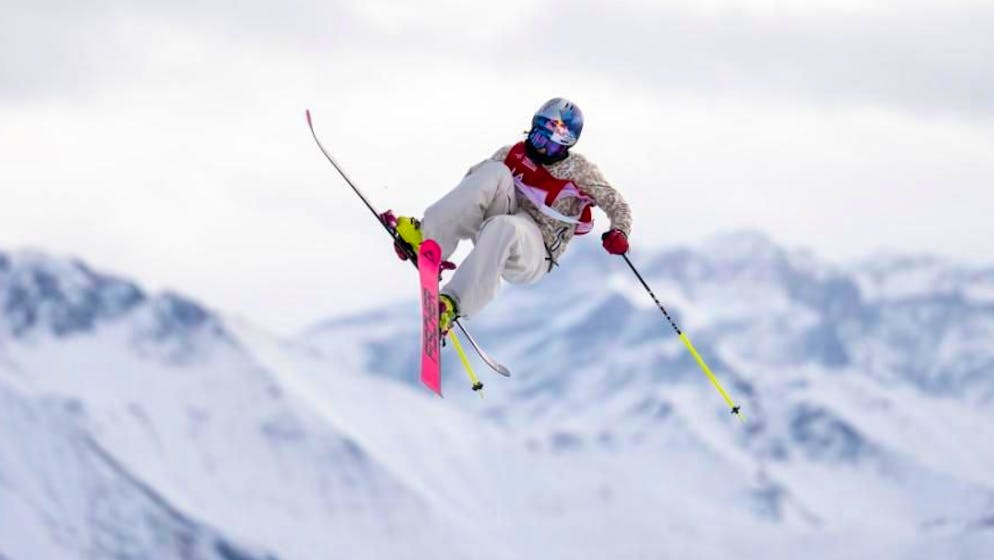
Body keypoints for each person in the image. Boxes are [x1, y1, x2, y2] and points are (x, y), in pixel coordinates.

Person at [382, 97, 632, 334]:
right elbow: (473, 186)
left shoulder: (579, 171)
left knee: (507, 226)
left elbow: (617, 204)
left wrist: (619, 231)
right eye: (538, 136)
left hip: (534, 251)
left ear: (566, 146)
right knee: (494, 172)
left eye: (552, 144)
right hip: (497, 224)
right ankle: (428, 241)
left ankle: (454, 302)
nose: (540, 147)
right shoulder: (511, 154)